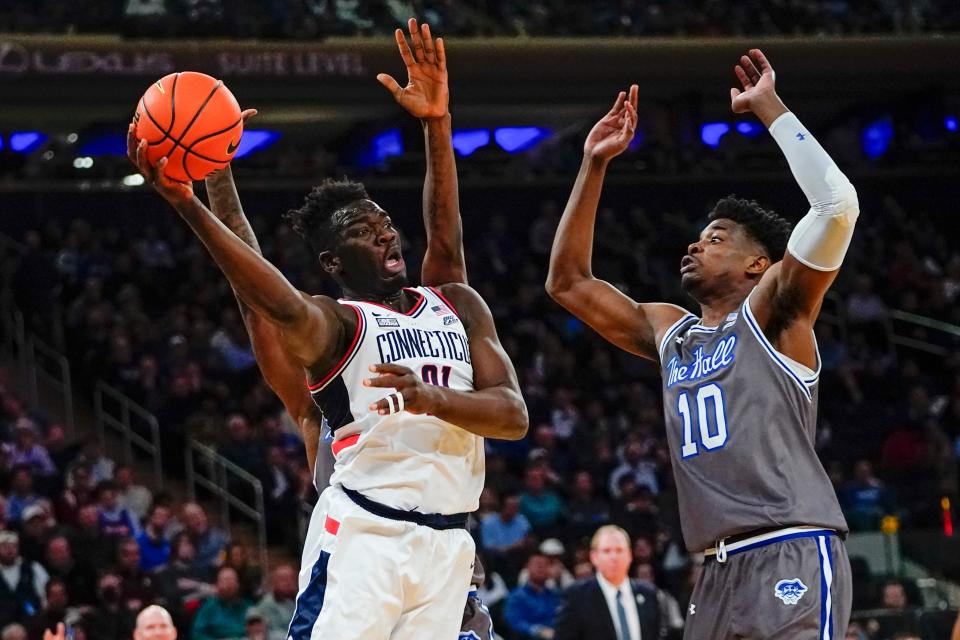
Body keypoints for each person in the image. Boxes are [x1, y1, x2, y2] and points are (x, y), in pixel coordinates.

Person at [128, 18, 526, 640]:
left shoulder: (452, 300)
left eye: (384, 223)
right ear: (336, 263)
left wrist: (436, 122)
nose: (386, 233)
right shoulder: (333, 331)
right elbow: (263, 299)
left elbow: (445, 232)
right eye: (364, 232)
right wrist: (204, 190)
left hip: (448, 548)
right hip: (365, 538)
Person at [547, 49, 857, 639]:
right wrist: (592, 165)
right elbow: (568, 283)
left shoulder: (775, 313)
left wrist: (768, 107)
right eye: (696, 238)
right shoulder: (673, 331)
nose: (695, 247)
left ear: (757, 264)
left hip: (788, 544)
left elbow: (838, 207)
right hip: (714, 569)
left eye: (715, 239)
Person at [555, 526, 661, 640]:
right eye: (606, 551)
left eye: (619, 550)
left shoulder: (648, 593)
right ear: (594, 557)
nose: (614, 557)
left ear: (630, 555)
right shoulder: (577, 596)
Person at [504, 553, 561, 640]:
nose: (541, 567)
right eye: (537, 564)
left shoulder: (555, 595)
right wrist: (538, 630)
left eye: (545, 564)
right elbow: (514, 622)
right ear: (528, 567)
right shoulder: (516, 596)